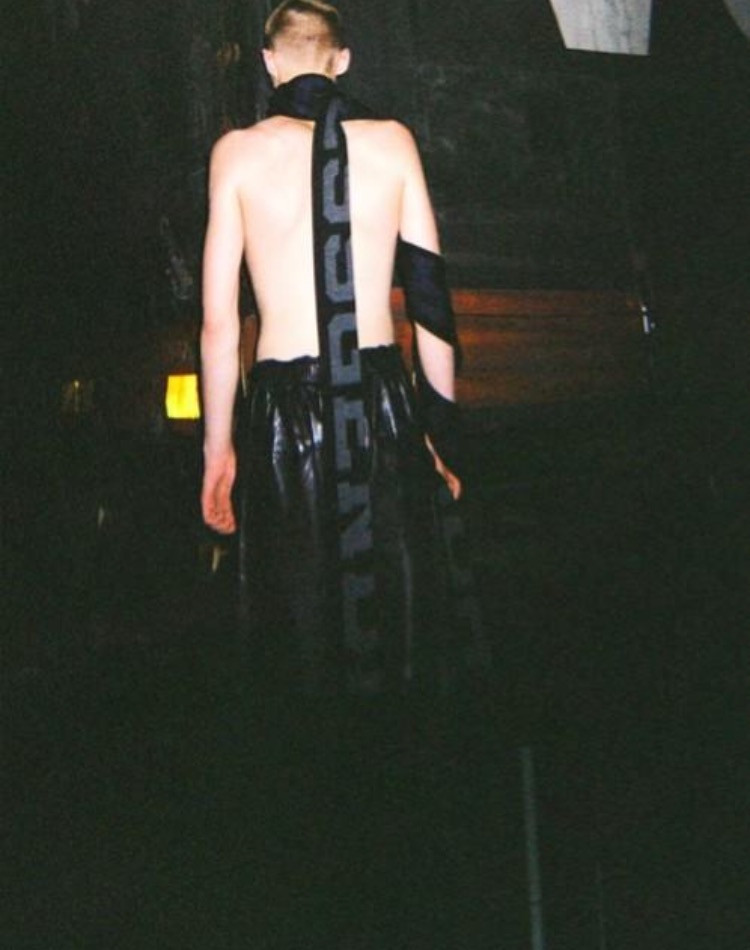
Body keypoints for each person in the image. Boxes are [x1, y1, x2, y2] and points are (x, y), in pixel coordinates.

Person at [200, 0, 468, 696]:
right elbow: (431, 304)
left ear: (269, 62)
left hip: (282, 411)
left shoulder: (235, 153)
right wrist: (437, 434)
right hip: (379, 400)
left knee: (298, 623)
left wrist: (217, 452)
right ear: (342, 59)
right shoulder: (394, 142)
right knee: (394, 613)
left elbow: (220, 326)